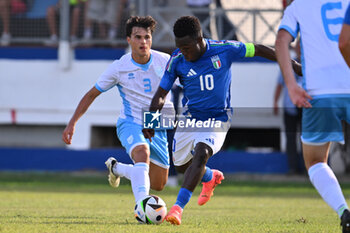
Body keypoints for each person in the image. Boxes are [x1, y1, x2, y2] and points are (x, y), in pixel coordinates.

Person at [143, 15, 302, 225]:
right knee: (183, 166)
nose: (184, 52)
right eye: (180, 47)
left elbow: (260, 49)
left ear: (200, 39)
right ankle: (210, 177)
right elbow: (161, 93)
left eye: (187, 47)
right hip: (190, 118)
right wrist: (151, 120)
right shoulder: (177, 60)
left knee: (201, 154)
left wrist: (291, 64)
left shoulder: (224, 49)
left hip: (218, 117)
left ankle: (177, 209)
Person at [62, 16, 174, 203]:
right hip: (130, 122)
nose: (143, 42)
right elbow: (91, 95)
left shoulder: (165, 61)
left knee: (158, 184)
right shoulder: (119, 67)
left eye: (147, 37)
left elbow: (189, 83)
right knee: (142, 154)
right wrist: (72, 123)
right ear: (128, 40)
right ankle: (142, 207)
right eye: (138, 37)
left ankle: (118, 169)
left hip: (156, 123)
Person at [275, 0, 350, 232]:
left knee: (316, 162)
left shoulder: (299, 6)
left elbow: (281, 42)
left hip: (318, 93)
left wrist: (291, 86)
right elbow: (345, 42)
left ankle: (343, 211)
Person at [273, 42, 303, 175]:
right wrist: (275, 102)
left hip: (306, 107)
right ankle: (293, 168)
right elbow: (280, 84)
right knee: (291, 138)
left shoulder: (312, 64)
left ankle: (308, 167)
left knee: (306, 139)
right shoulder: (288, 63)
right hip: (290, 106)